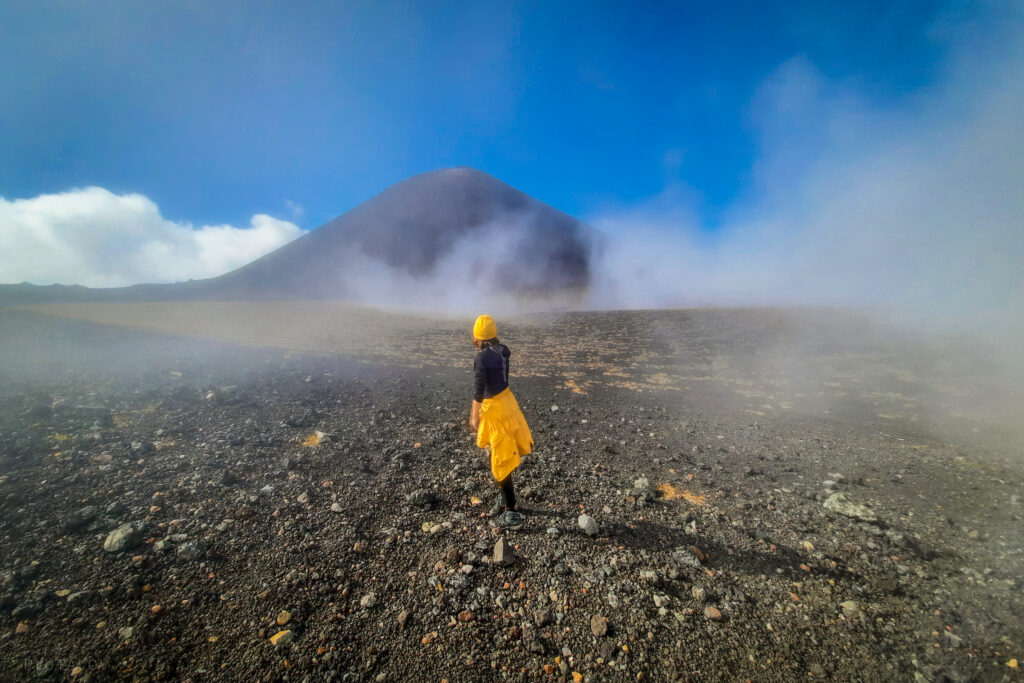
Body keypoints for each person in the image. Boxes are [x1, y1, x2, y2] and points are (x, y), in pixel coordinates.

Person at [469, 314, 533, 530]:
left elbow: (479, 390)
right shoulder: (503, 350)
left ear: (477, 337)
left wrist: (474, 416)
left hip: (495, 411)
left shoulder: (481, 358)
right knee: (501, 454)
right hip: (508, 403)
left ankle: (512, 512)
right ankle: (504, 499)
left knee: (500, 459)